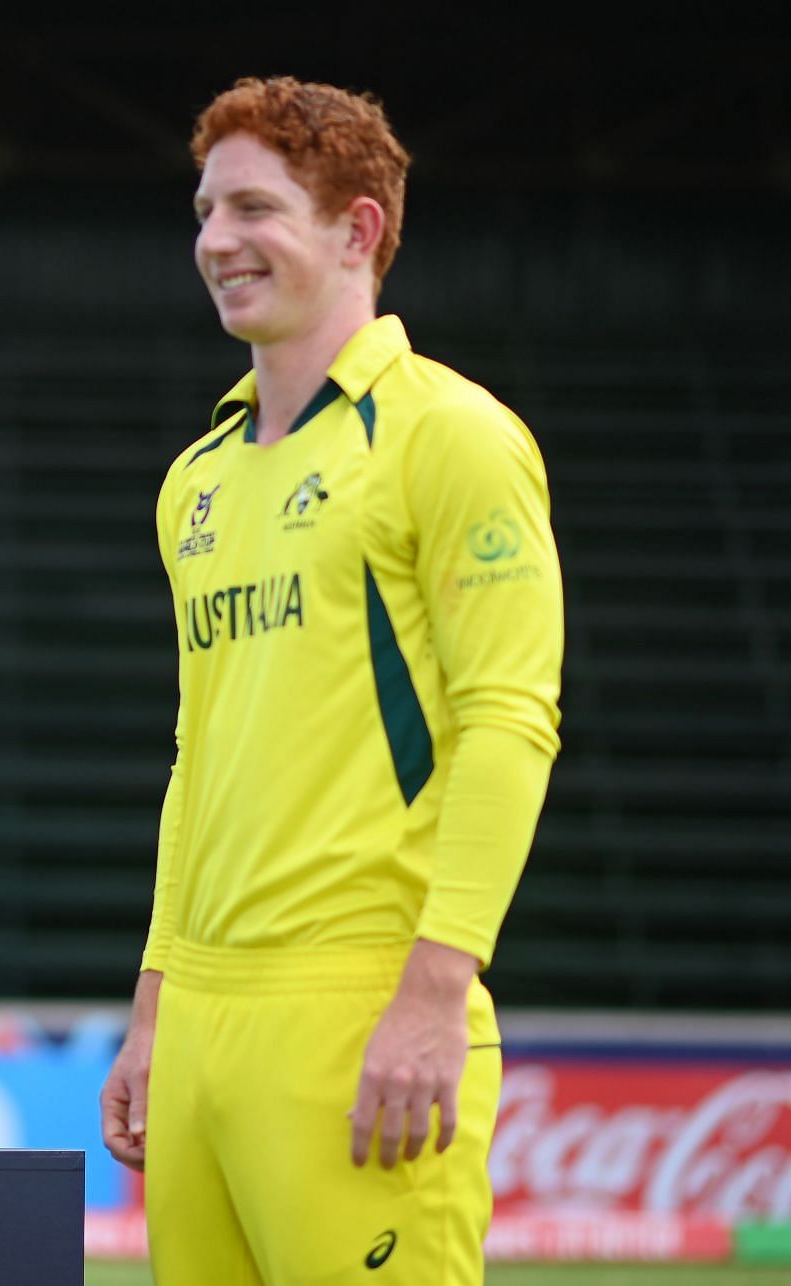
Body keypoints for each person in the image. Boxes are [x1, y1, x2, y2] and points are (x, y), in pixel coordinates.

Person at [98, 77, 563, 1283]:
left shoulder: (451, 434)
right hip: (200, 1020)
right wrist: (156, 1006)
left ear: (358, 230)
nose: (214, 241)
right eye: (204, 210)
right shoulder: (193, 478)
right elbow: (200, 756)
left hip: (362, 1004)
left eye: (254, 207)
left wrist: (433, 991)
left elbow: (510, 720)